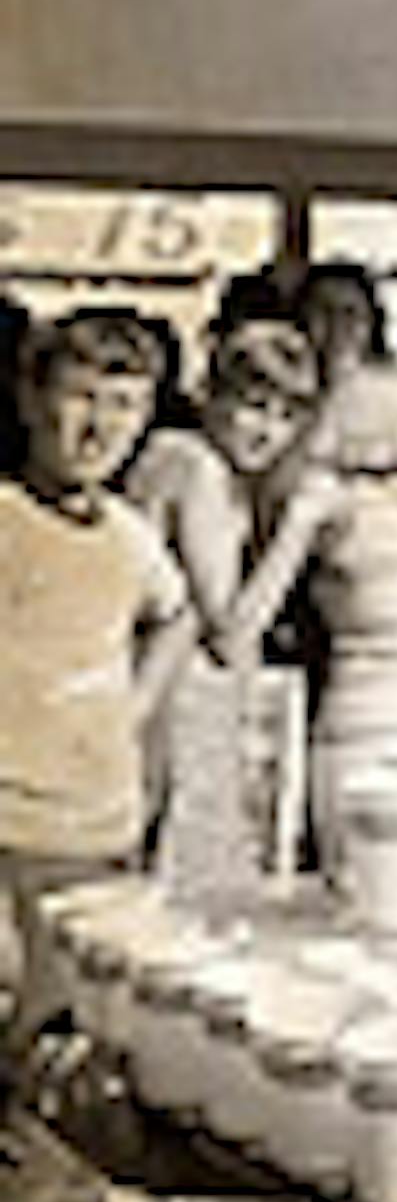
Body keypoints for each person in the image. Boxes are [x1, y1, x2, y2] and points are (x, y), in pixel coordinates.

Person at [0, 312, 194, 1054]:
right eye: (81, 397)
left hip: (101, 838)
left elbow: (178, 615)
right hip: (9, 841)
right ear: (30, 398)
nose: (100, 427)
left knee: (78, 1051)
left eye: (125, 405)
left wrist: (136, 707)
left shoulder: (129, 534)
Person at [124, 322, 346, 901]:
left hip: (147, 707)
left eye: (284, 415)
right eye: (253, 406)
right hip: (157, 715)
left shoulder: (185, 460)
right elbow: (232, 638)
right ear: (213, 396)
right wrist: (297, 528)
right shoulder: (196, 468)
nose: (267, 430)